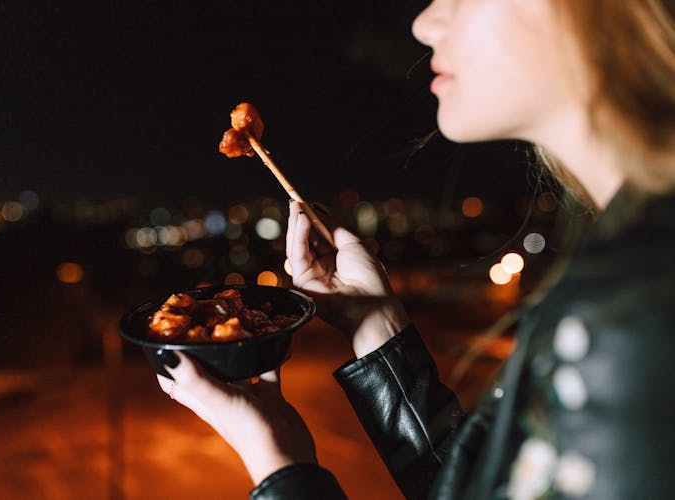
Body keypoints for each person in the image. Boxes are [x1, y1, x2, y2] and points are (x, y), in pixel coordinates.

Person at [157, 0, 675, 498]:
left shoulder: (641, 315)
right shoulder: (628, 279)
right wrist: (374, 324)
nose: (426, 23)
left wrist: (276, 470)